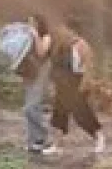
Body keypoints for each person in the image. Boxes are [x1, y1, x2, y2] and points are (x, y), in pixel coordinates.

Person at [49, 19, 106, 154]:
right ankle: (57, 144)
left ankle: (99, 137)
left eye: (63, 28)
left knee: (81, 113)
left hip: (76, 81)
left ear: (71, 29)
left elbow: (88, 65)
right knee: (59, 114)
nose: (61, 31)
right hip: (62, 82)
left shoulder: (81, 45)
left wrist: (85, 83)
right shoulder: (61, 45)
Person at [12, 15, 55, 154]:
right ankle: (33, 141)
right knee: (31, 108)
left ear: (39, 24)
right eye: (28, 22)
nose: (30, 24)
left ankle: (44, 139)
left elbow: (41, 53)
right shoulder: (27, 38)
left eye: (32, 22)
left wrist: (35, 35)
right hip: (30, 74)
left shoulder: (46, 37)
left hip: (41, 73)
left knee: (31, 107)